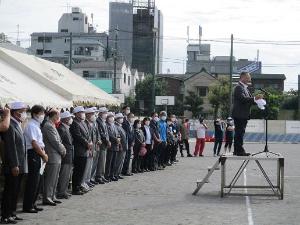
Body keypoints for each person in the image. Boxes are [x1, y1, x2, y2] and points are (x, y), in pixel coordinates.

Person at [1, 102, 27, 224]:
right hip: (13, 164)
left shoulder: (17, 124)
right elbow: (11, 147)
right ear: (16, 112)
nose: (24, 114)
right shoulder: (10, 125)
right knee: (9, 191)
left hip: (20, 163)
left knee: (15, 190)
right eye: (23, 111)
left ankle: (12, 212)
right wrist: (14, 164)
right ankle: (5, 215)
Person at [232, 72, 263, 156]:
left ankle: (237, 150)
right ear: (242, 77)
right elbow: (243, 99)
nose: (249, 79)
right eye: (248, 77)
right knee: (239, 132)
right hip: (239, 114)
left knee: (240, 132)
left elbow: (250, 100)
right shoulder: (238, 87)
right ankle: (239, 151)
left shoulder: (245, 88)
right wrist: (254, 98)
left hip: (243, 114)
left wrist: (258, 100)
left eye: (249, 77)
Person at [23, 105, 47, 213]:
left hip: (39, 153)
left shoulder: (37, 125)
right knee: (33, 181)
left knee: (38, 180)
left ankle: (33, 203)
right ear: (35, 114)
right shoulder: (31, 125)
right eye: (41, 113)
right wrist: (43, 154)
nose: (42, 116)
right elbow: (34, 143)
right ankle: (28, 205)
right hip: (34, 153)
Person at [42, 110, 66, 206]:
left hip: (56, 155)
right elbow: (55, 142)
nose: (59, 117)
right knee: (50, 178)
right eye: (58, 115)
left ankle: (52, 196)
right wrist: (63, 150)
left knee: (55, 177)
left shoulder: (51, 125)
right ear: (54, 115)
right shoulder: (48, 126)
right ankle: (47, 197)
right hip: (52, 155)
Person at [70, 106, 92, 195]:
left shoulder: (83, 122)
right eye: (81, 112)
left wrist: (89, 142)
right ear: (76, 114)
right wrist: (87, 143)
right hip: (79, 150)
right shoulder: (74, 123)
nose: (83, 114)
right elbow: (77, 136)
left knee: (82, 170)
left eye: (83, 112)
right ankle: (75, 188)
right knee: (78, 170)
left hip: (85, 150)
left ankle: (79, 186)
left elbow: (88, 134)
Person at [57, 111, 74, 199]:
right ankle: (61, 192)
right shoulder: (62, 128)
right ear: (66, 119)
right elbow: (60, 142)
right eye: (70, 118)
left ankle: (64, 191)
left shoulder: (66, 128)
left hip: (69, 155)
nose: (71, 119)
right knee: (64, 175)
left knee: (67, 175)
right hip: (65, 156)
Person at [83, 107, 101, 190]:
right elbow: (88, 137)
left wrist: (98, 140)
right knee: (87, 166)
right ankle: (84, 181)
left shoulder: (93, 123)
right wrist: (90, 148)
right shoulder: (85, 123)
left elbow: (96, 134)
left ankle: (88, 180)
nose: (94, 115)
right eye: (92, 114)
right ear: (88, 115)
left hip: (93, 147)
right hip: (88, 147)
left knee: (90, 166)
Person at [95, 107, 111, 184]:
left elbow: (106, 133)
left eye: (106, 113)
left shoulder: (103, 121)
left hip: (105, 144)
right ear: (100, 113)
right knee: (101, 161)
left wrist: (108, 141)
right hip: (102, 144)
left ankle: (102, 175)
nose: (106, 114)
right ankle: (98, 176)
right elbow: (101, 133)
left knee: (103, 161)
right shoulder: (98, 121)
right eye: (104, 113)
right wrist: (107, 141)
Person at [106, 112, 120, 182]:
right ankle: (107, 175)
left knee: (114, 161)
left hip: (116, 145)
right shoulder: (106, 125)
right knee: (109, 162)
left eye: (112, 117)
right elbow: (109, 134)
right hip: (111, 146)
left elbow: (117, 133)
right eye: (110, 117)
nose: (112, 118)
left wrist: (118, 138)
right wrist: (116, 139)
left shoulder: (114, 125)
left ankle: (112, 175)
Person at [114, 113, 127, 179]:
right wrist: (120, 145)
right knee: (118, 161)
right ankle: (115, 174)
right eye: (120, 118)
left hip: (124, 146)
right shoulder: (116, 126)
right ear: (117, 119)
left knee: (121, 161)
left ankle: (118, 173)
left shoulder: (120, 126)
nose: (122, 119)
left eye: (122, 118)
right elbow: (118, 137)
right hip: (121, 146)